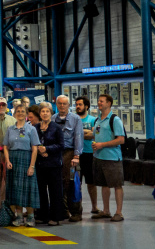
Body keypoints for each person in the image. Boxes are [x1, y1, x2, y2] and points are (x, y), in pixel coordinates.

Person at [3, 103, 40, 227]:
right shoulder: (10, 129)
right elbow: (5, 147)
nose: (20, 113)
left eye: (23, 111)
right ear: (14, 114)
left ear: (26, 115)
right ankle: (18, 216)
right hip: (13, 160)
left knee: (28, 189)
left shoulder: (31, 129)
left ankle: (30, 217)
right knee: (15, 190)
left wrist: (32, 166)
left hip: (26, 159)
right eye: (18, 111)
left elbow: (35, 149)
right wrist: (7, 161)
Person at [91, 94, 125, 222]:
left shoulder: (115, 120)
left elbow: (121, 140)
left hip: (112, 158)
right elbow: (95, 136)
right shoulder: (97, 120)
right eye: (98, 101)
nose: (99, 103)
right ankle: (106, 211)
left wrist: (102, 145)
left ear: (109, 103)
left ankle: (119, 212)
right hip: (99, 157)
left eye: (102, 101)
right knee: (104, 185)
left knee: (117, 185)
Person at [54, 94, 84, 222]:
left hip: (70, 153)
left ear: (68, 105)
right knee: (59, 183)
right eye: (60, 103)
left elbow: (78, 137)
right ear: (57, 105)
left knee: (72, 183)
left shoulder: (75, 119)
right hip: (55, 154)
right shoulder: (52, 118)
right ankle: (63, 210)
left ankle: (76, 212)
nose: (62, 106)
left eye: (64, 104)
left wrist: (76, 155)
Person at [35, 102, 65, 226]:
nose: (45, 113)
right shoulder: (35, 127)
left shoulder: (56, 127)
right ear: (40, 113)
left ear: (51, 113)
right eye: (43, 111)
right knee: (41, 191)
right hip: (40, 164)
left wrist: (47, 149)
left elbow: (61, 145)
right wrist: (39, 151)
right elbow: (32, 143)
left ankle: (55, 217)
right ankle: (43, 215)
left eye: (47, 111)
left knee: (55, 191)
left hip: (54, 164)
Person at [75, 96, 99, 214]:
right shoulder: (73, 119)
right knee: (76, 182)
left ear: (86, 106)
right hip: (76, 154)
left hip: (89, 154)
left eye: (80, 104)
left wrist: (79, 133)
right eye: (76, 104)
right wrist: (86, 132)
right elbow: (72, 135)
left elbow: (94, 135)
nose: (78, 107)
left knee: (91, 182)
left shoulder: (93, 119)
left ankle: (94, 206)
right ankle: (77, 207)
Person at [0, 97, 15, 216]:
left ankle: (6, 206)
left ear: (6, 106)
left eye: (3, 105)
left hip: (8, 153)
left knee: (7, 180)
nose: (1, 107)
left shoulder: (12, 120)